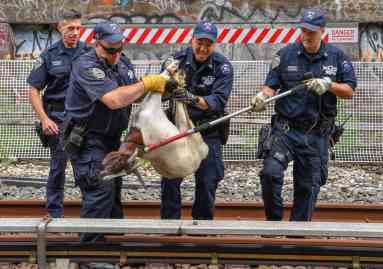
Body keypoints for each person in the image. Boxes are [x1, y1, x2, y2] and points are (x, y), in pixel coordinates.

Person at [64, 21, 174, 242]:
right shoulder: (86, 65)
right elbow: (114, 99)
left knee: (113, 192)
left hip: (113, 139)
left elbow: (134, 93)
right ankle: (89, 254)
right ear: (96, 43)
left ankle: (113, 245)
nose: (115, 54)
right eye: (110, 50)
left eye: (119, 48)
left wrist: (164, 88)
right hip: (88, 140)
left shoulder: (122, 63)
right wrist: (149, 82)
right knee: (100, 190)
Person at [251, 8, 357, 221]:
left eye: (312, 31)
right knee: (270, 174)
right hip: (286, 131)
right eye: (303, 30)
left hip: (316, 134)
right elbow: (270, 86)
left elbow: (349, 91)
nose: (307, 35)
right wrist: (261, 97)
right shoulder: (285, 55)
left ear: (322, 31)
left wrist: (328, 85)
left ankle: (296, 240)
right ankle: (274, 224)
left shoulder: (337, 57)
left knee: (307, 188)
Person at [160, 21, 234, 220]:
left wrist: (192, 99)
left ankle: (201, 230)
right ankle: (168, 229)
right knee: (170, 178)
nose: (203, 48)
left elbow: (217, 102)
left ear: (215, 44)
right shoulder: (175, 61)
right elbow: (158, 92)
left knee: (208, 180)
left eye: (208, 44)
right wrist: (167, 87)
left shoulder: (223, 67)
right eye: (199, 42)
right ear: (192, 40)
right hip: (177, 131)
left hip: (207, 130)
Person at [27, 10, 91, 218]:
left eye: (78, 28)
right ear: (59, 27)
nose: (74, 32)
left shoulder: (89, 53)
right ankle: (55, 215)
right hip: (58, 119)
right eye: (70, 28)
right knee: (58, 168)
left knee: (85, 168)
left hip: (84, 120)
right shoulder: (49, 55)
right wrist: (44, 119)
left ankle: (90, 214)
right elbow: (34, 89)